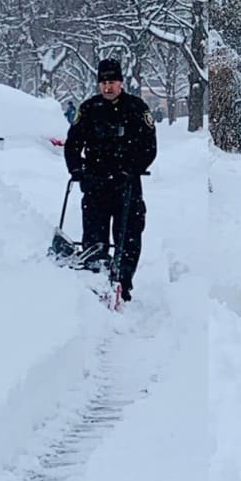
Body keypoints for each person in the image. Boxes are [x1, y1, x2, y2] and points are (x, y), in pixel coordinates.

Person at [64, 58, 157, 301]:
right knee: (94, 235)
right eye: (104, 82)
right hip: (95, 183)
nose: (108, 87)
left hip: (126, 184)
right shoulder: (88, 109)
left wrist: (133, 168)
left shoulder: (137, 108)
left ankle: (123, 283)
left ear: (121, 83)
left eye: (112, 82)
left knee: (129, 236)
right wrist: (76, 169)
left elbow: (149, 147)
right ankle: (97, 278)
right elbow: (73, 143)